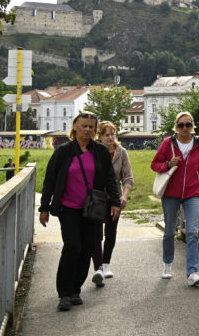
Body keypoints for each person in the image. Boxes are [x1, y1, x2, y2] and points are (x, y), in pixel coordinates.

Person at [38, 112, 121, 311]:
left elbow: (110, 178)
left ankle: (76, 290)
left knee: (87, 248)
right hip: (68, 208)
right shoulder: (63, 152)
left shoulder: (100, 151)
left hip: (92, 207)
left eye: (91, 127)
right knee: (72, 246)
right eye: (83, 126)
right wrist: (44, 207)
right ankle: (64, 293)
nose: (87, 130)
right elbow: (50, 180)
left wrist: (115, 202)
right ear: (75, 127)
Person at [151, 111, 199, 286]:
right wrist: (168, 164)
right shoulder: (168, 143)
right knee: (170, 230)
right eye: (181, 125)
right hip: (171, 194)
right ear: (176, 126)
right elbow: (154, 164)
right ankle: (167, 263)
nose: (185, 128)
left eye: (188, 125)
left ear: (192, 127)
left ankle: (192, 272)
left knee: (191, 231)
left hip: (193, 192)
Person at [90, 121, 134, 286]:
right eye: (106, 135)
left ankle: (106, 264)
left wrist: (124, 196)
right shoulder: (93, 151)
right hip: (96, 196)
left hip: (114, 198)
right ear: (99, 137)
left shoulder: (121, 152)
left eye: (112, 134)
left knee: (111, 231)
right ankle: (98, 268)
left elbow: (128, 177)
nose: (110, 138)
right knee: (96, 234)